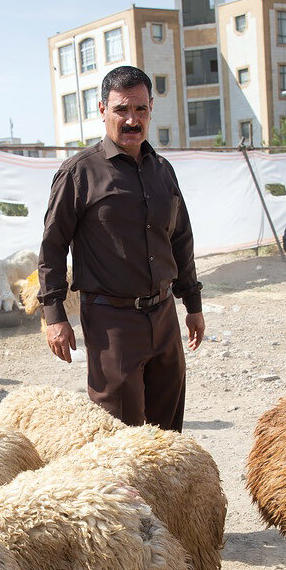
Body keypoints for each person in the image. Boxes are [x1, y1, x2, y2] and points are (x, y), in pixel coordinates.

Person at [38, 64, 204, 432]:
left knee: (168, 433)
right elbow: (52, 247)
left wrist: (192, 304)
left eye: (140, 109)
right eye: (121, 110)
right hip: (110, 322)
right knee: (118, 434)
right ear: (102, 111)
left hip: (163, 317)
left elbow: (180, 239)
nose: (132, 120)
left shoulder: (162, 170)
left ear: (149, 111)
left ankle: (164, 492)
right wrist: (54, 316)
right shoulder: (78, 173)